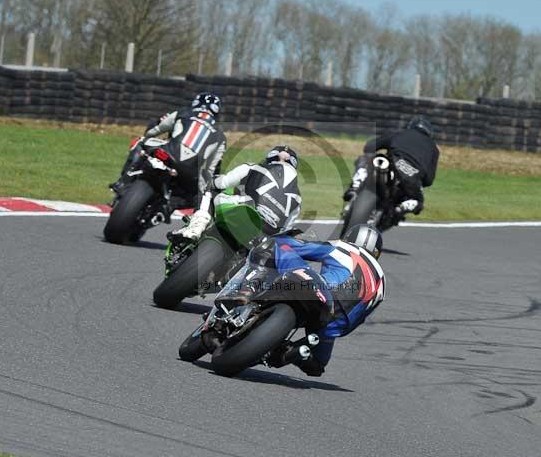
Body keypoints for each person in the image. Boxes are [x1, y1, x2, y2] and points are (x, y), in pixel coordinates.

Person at [271, 224, 385, 377]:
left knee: (281, 246)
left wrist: (281, 238)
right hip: (337, 324)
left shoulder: (343, 247)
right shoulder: (382, 281)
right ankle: (292, 352)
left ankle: (249, 289)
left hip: (320, 291)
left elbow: (299, 247)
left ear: (349, 238)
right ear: (377, 252)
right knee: (316, 366)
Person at [110, 92, 226, 209]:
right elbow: (212, 169)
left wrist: (149, 136)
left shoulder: (183, 113)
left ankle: (122, 182)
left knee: (140, 141)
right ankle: (192, 216)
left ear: (195, 103)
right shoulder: (221, 136)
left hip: (169, 152)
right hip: (190, 170)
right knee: (202, 192)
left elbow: (155, 130)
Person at [171, 145, 302, 241]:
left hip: (247, 208)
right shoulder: (298, 198)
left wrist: (214, 180)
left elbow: (222, 183)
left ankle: (195, 228)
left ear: (270, 158)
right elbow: (286, 229)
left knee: (209, 191)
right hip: (267, 234)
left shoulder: (253, 167)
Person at [344, 116, 439, 224]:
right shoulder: (434, 149)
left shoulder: (400, 134)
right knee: (419, 201)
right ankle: (404, 206)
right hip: (411, 177)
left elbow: (370, 146)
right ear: (429, 133)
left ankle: (355, 186)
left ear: (411, 127)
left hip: (391, 163)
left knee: (365, 159)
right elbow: (429, 180)